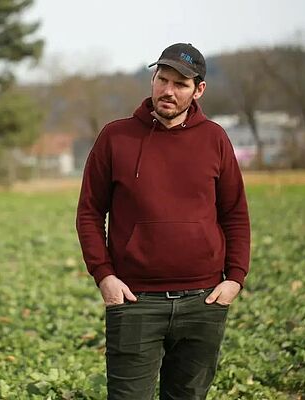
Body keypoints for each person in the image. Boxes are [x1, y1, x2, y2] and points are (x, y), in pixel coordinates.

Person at [76, 43, 250, 399]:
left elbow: (235, 214)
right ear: (152, 80)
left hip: (203, 301)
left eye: (180, 84)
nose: (168, 91)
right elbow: (89, 213)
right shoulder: (115, 137)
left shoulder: (215, 138)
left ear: (198, 89)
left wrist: (235, 278)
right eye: (162, 79)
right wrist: (104, 275)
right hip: (135, 300)